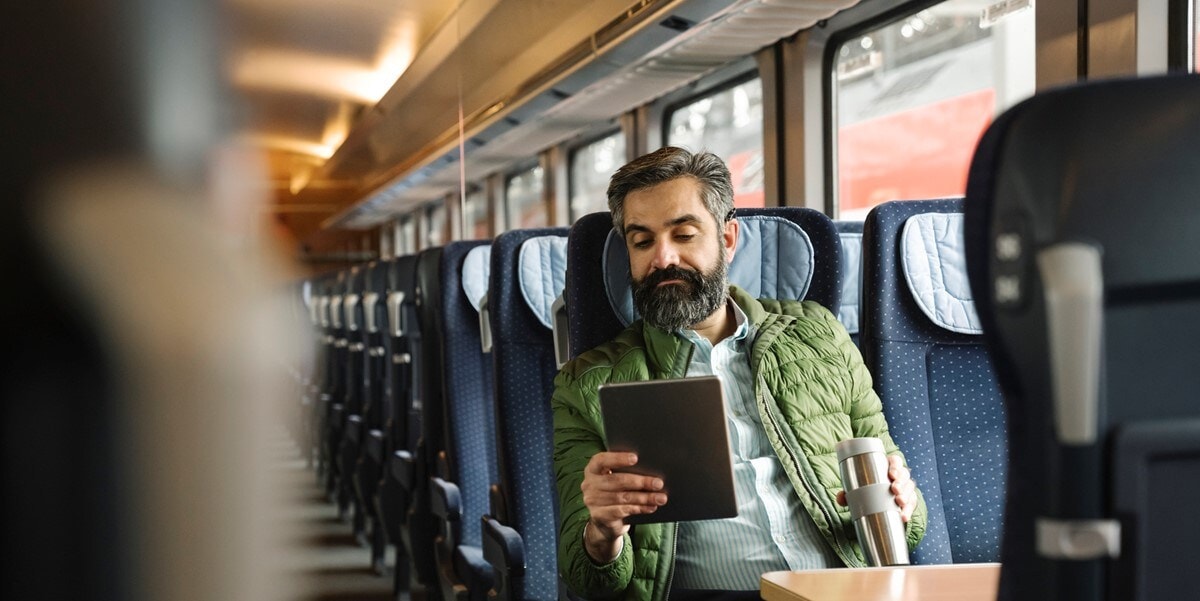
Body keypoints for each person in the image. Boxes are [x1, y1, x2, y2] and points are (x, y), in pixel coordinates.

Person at [551, 147, 926, 600]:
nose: (663, 258)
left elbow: (904, 515)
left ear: (727, 239)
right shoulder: (587, 383)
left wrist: (904, 502)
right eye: (642, 241)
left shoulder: (818, 333)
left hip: (840, 587)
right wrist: (603, 530)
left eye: (684, 234)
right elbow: (585, 575)